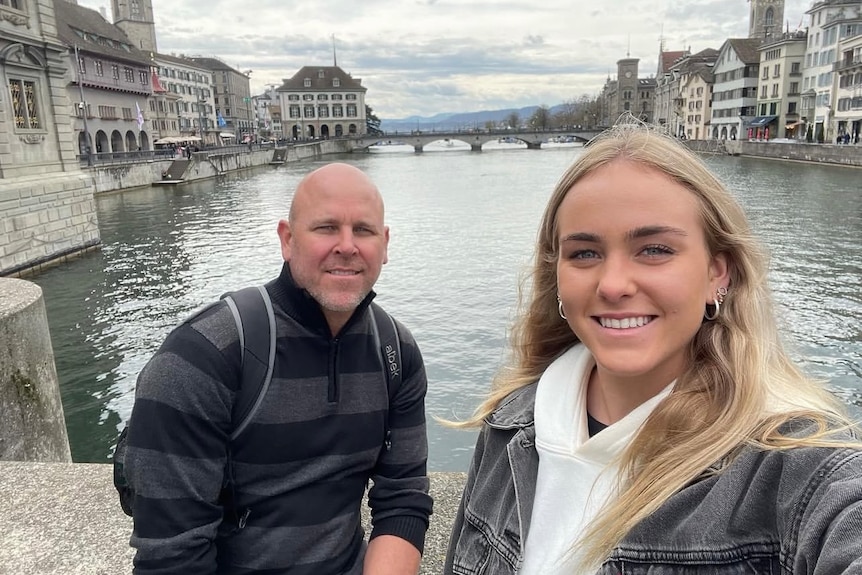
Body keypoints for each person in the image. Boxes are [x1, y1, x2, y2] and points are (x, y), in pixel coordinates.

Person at [444, 123, 862, 575]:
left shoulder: (797, 465)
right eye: (584, 254)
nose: (614, 284)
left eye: (655, 249)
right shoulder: (510, 423)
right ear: (557, 277)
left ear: (716, 274)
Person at [124, 162, 433, 574]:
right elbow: (173, 555)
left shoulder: (396, 353)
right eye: (326, 228)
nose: (347, 245)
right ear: (287, 240)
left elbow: (402, 496)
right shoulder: (203, 356)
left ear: (385, 243)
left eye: (363, 230)